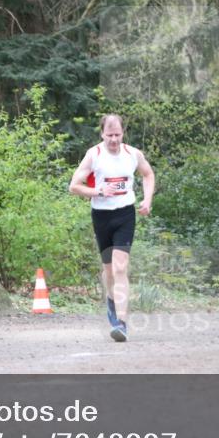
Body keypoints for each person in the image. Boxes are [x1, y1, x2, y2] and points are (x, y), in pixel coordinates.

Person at [69, 114, 155, 342]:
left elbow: (148, 174)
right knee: (108, 271)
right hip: (101, 216)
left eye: (117, 135)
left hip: (125, 214)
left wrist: (147, 200)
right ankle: (111, 301)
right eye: (109, 135)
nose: (114, 140)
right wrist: (97, 191)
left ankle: (122, 323)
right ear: (102, 134)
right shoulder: (93, 155)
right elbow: (74, 186)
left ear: (122, 133)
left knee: (120, 267)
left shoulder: (133, 154)